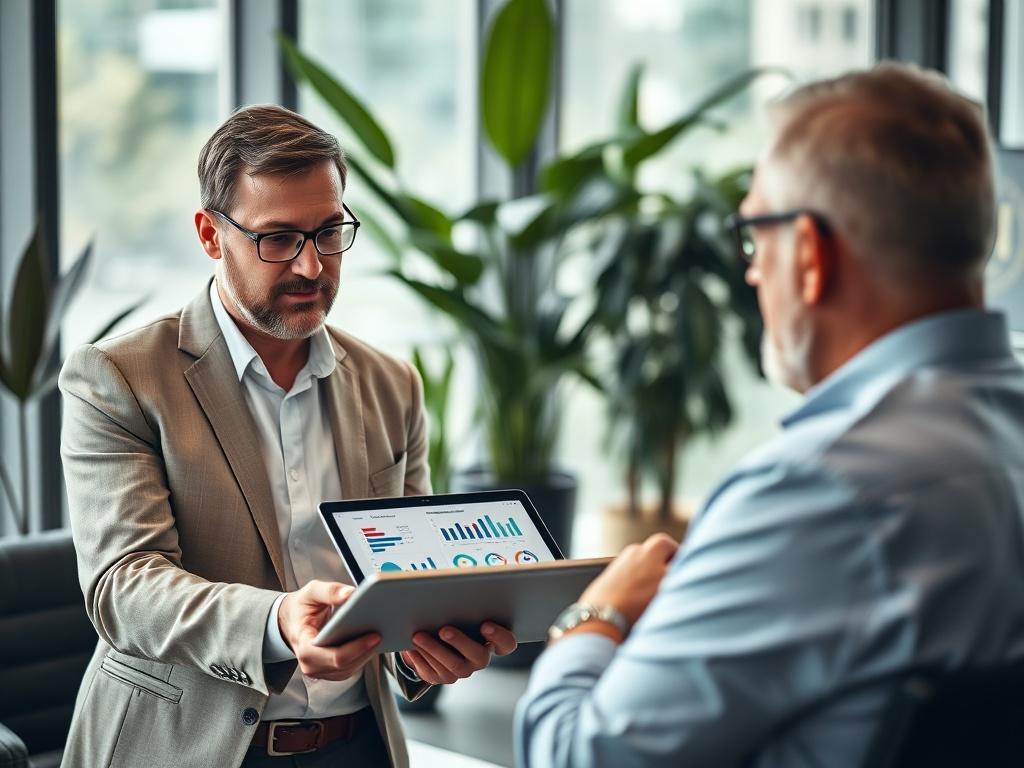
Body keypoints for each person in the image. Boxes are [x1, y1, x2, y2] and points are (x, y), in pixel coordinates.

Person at [516, 62, 1024, 767]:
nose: (751, 271)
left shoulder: (817, 493)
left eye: (754, 236)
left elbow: (577, 756)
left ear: (811, 255)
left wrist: (596, 616)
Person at [58, 104, 516, 768]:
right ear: (211, 236)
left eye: (329, 232)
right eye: (279, 239)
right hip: (189, 748)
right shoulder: (120, 378)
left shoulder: (394, 385)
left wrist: (433, 648)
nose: (311, 266)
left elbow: (409, 576)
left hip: (359, 745)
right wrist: (275, 623)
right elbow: (123, 586)